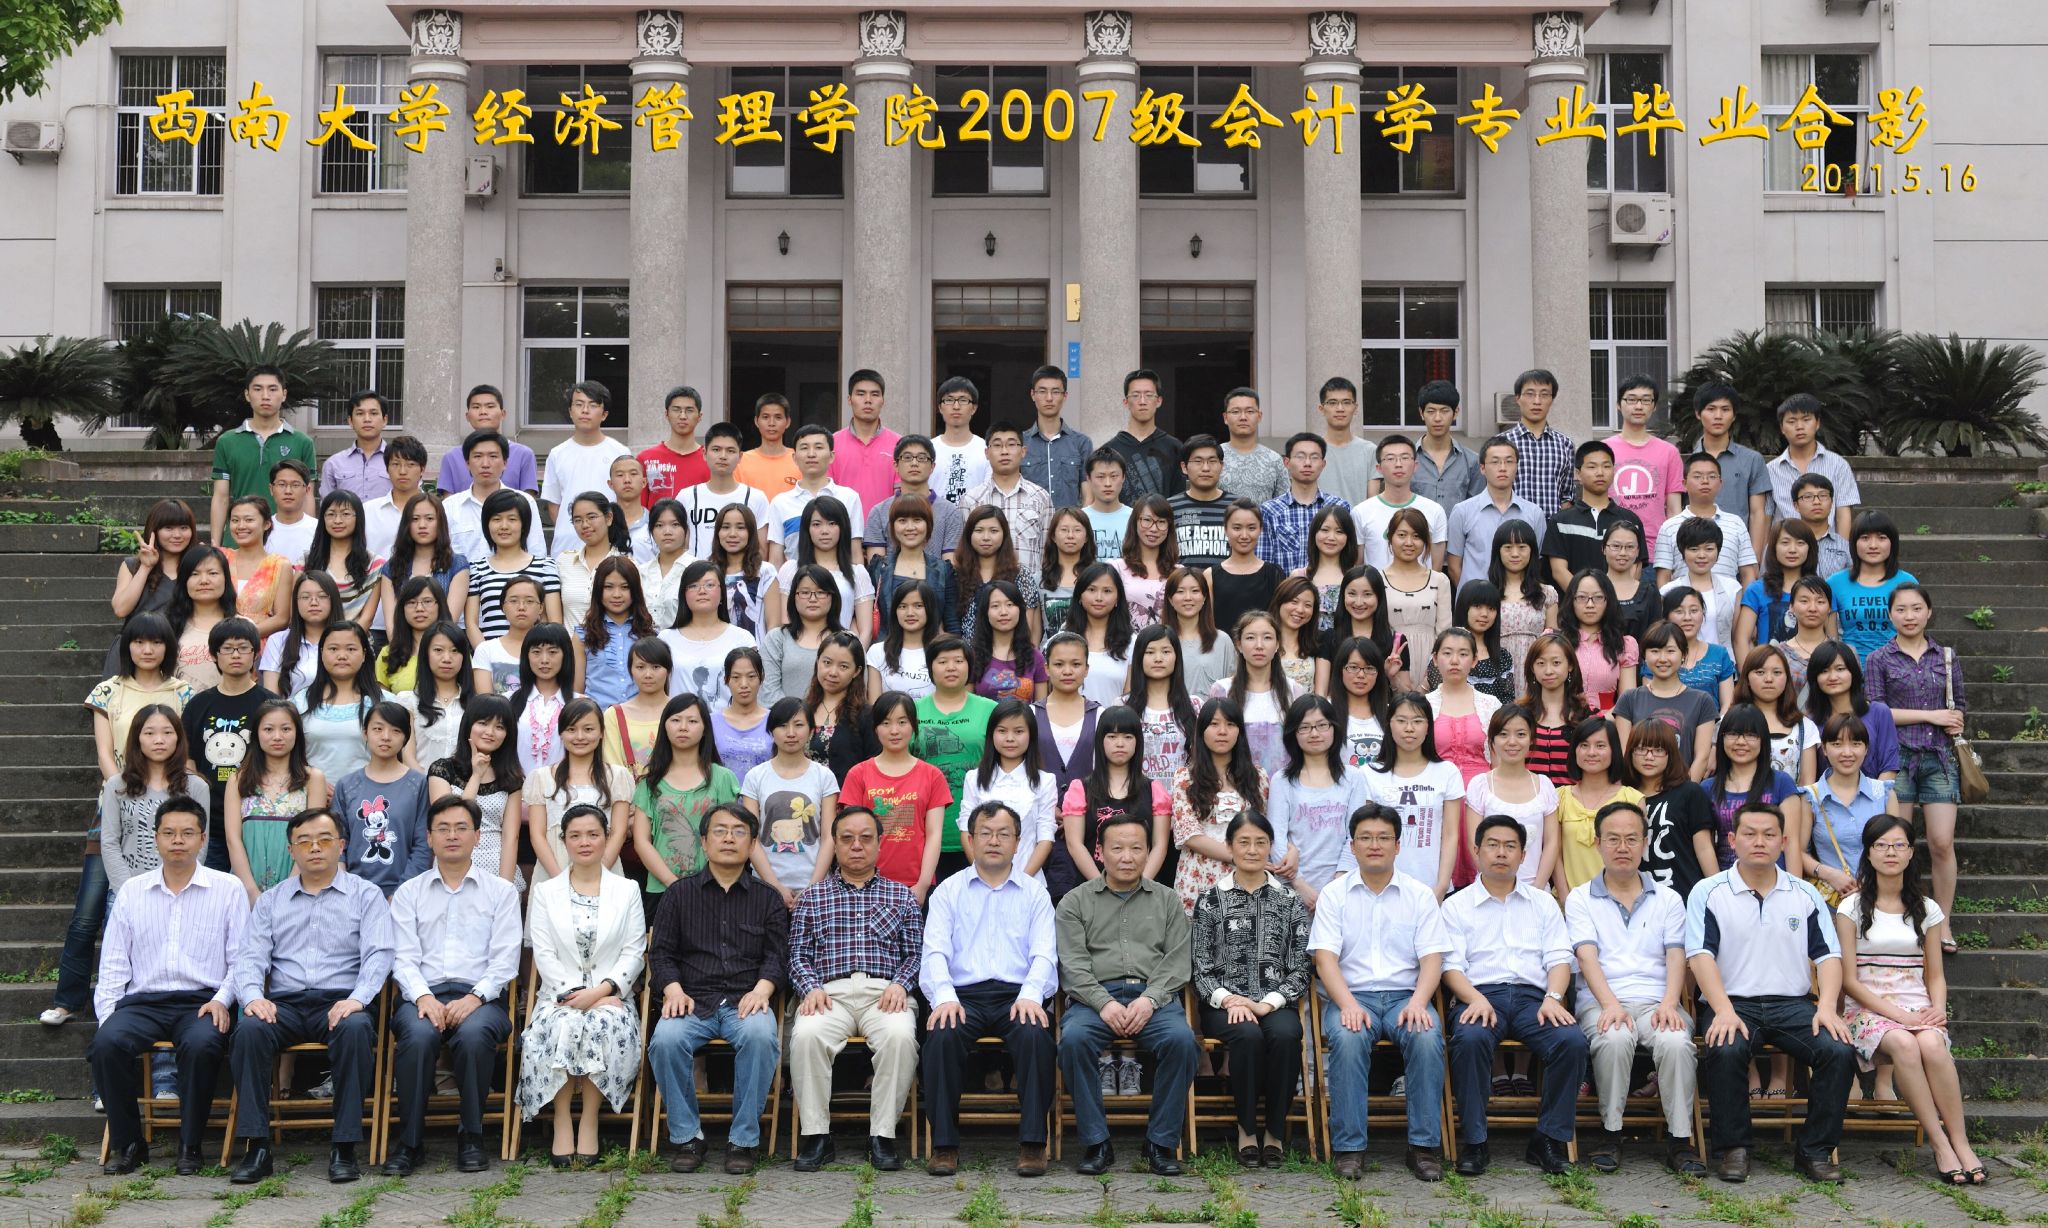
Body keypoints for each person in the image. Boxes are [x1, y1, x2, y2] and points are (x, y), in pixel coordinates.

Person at [1687, 800, 1857, 1184]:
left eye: (1769, 835)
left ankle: (1814, 1151)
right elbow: (1700, 956)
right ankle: (1734, 1149)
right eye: (1749, 834)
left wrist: (1827, 1007)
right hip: (1732, 1003)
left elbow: (1829, 956)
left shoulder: (1804, 893)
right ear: (1732, 839)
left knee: (1837, 1050)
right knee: (1725, 1048)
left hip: (1792, 1004)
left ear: (1784, 842)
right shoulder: (1708, 891)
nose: (1759, 842)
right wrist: (1723, 1009)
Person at [225, 808, 396, 1185]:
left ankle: (344, 1146)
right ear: (291, 850)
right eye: (304, 842)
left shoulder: (366, 895)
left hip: (341, 1000)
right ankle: (257, 1147)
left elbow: (379, 954)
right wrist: (252, 997)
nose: (314, 848)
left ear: (341, 845)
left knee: (355, 1029)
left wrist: (358, 999)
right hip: (284, 1004)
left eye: (323, 840)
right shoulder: (272, 900)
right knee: (249, 1030)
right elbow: (250, 957)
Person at [88, 797, 247, 1176]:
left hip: (202, 1002)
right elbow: (112, 964)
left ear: (203, 839)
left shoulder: (228, 889)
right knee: (107, 1045)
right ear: (156, 838)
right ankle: (130, 1144)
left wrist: (223, 999)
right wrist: (108, 1018)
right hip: (142, 1003)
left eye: (187, 833)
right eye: (169, 833)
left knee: (203, 1045)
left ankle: (190, 1146)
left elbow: (242, 959)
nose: (178, 840)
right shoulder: (133, 891)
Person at [1835, 814, 1984, 1186]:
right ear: (1868, 853)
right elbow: (1849, 981)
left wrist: (1937, 1010)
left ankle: (1961, 1142)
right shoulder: (1850, 908)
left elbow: (1935, 975)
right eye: (1881, 845)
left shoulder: (1927, 908)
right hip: (1867, 1009)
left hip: (1916, 1005)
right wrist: (1899, 1016)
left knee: (1932, 1044)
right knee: (1904, 1042)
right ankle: (1940, 1144)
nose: (1891, 852)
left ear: (1910, 853)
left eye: (1899, 845)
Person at [1440, 814, 1588, 1177]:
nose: (1501, 853)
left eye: (1510, 846)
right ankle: (1475, 1142)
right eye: (1492, 845)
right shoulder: (1456, 905)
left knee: (1571, 1042)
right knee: (1470, 1039)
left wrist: (1554, 997)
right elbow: (1450, 967)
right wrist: (1474, 998)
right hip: (1478, 995)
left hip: (1533, 1000)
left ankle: (1548, 1139)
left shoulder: (1542, 903)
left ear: (1523, 855)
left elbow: (1559, 959)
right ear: (1476, 851)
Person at [382, 793, 522, 1177]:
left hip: (481, 997)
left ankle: (471, 1137)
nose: (452, 836)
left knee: (475, 1036)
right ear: (429, 838)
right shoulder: (409, 893)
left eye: (461, 828)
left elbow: (505, 960)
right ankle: (410, 1142)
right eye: (442, 829)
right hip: (421, 995)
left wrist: (475, 998)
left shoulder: (501, 892)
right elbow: (402, 958)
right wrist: (423, 996)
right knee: (417, 1036)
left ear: (477, 836)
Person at [1565, 800, 1707, 1175]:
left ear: (1645, 843)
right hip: (1601, 1001)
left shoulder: (1669, 898)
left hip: (1658, 1000)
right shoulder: (1580, 898)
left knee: (1676, 1042)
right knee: (1614, 1037)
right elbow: (1586, 958)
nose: (1622, 847)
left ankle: (1680, 1141)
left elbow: (1676, 956)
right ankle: (1611, 1134)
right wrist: (1611, 1005)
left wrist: (1670, 1003)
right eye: (1613, 839)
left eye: (1631, 839)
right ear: (1597, 843)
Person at [1311, 802, 1451, 1182]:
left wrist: (1419, 1002)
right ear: (1352, 846)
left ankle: (1423, 1148)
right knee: (1348, 1036)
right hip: (1353, 995)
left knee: (1426, 1036)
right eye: (1366, 838)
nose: (1375, 845)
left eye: (1384, 838)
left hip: (1407, 996)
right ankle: (1349, 1149)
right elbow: (1325, 960)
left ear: (1398, 846)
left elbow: (1433, 959)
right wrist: (1347, 1004)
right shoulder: (1334, 894)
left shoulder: (1419, 895)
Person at [919, 800, 1060, 1178]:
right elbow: (934, 952)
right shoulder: (949, 891)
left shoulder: (1034, 894)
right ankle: (944, 1145)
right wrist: (944, 997)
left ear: (1018, 842)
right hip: (963, 996)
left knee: (1036, 1035)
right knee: (941, 1035)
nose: (994, 841)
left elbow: (1045, 954)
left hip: (1018, 994)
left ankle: (1033, 1143)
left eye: (1003, 834)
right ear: (971, 839)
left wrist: (1031, 994)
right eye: (985, 833)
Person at [646, 802, 788, 1176]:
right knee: (665, 1040)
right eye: (720, 831)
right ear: (704, 842)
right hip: (692, 1000)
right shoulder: (679, 895)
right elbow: (661, 953)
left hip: (746, 1000)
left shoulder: (768, 898)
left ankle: (743, 1140)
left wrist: (763, 990)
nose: (729, 838)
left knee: (760, 1037)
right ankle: (687, 1138)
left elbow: (777, 955)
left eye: (739, 832)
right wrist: (673, 990)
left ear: (753, 844)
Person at [1054, 812, 1199, 1177]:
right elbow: (1073, 965)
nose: (1127, 857)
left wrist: (1149, 1000)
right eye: (1117, 848)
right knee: (1073, 1041)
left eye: (1136, 848)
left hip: (1153, 997)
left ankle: (1160, 1142)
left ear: (1148, 851)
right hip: (1094, 999)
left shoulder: (1167, 900)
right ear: (1100, 852)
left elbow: (1177, 960)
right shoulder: (1074, 902)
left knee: (1182, 1042)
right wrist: (1103, 1003)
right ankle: (1096, 1142)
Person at [787, 805, 925, 1172]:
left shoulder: (902, 896)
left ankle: (882, 1136)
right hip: (828, 994)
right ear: (834, 844)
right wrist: (810, 987)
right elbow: (797, 955)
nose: (856, 846)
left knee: (899, 1037)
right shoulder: (812, 898)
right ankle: (817, 1136)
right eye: (847, 839)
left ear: (880, 844)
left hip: (885, 994)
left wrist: (901, 984)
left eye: (866, 838)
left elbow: (915, 954)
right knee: (807, 1036)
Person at [517, 803, 647, 1166]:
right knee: (561, 1024)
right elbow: (544, 954)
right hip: (558, 996)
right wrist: (577, 996)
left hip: (612, 996)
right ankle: (562, 1118)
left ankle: (589, 1118)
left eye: (593, 834)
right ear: (564, 841)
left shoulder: (627, 890)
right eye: (575, 835)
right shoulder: (546, 892)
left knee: (603, 1024)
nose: (584, 842)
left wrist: (601, 992)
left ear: (607, 838)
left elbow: (634, 952)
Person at [1191, 812, 1310, 1165]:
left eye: (1260, 842)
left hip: (1275, 1003)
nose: (1252, 850)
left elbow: (1301, 966)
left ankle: (1274, 1132)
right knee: (1247, 1035)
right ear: (1230, 847)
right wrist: (1230, 1000)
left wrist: (1268, 1003)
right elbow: (1200, 967)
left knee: (1287, 1035)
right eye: (1243, 842)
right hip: (1223, 1007)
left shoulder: (1289, 900)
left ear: (1270, 847)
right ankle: (1246, 1129)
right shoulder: (1210, 899)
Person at [1863, 583, 1963, 950]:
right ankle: (1903, 916)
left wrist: (1954, 719)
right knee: (1896, 843)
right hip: (1897, 759)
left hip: (1939, 759)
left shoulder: (1946, 657)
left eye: (1916, 608)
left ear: (1928, 612)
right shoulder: (1878, 659)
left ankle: (1943, 922)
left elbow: (1959, 704)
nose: (1909, 616)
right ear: (1890, 615)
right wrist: (1931, 715)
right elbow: (1876, 711)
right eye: (1901, 609)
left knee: (1941, 843)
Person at [184, 619, 277, 872]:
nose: (236, 655)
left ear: (255, 653)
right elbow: (188, 760)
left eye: (243, 648)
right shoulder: (197, 705)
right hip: (210, 822)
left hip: (257, 818)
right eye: (227, 648)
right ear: (214, 654)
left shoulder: (271, 705)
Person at [741, 698, 839, 904]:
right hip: (764, 887)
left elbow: (828, 836)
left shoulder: (824, 776)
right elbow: (751, 837)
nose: (791, 733)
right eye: (783, 726)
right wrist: (774, 885)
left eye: (799, 725)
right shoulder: (755, 776)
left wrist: (813, 887)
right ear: (771, 731)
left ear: (811, 730)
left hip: (814, 887)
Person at [331, 702, 434, 897]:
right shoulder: (346, 785)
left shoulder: (418, 784)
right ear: (365, 733)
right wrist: (346, 888)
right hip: (353, 893)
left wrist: (399, 896)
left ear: (406, 737)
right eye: (378, 729)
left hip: (404, 893)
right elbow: (337, 842)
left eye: (396, 731)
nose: (386, 737)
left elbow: (423, 845)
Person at [209, 366, 316, 544]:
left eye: (272, 389)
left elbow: (307, 496)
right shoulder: (227, 441)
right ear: (247, 394)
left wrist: (310, 541)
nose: (265, 396)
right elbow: (221, 497)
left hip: (286, 539)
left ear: (284, 394)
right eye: (258, 389)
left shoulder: (302, 442)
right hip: (239, 538)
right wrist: (215, 544)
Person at [106, 498, 198, 676]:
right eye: (168, 528)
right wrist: (146, 567)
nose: (177, 535)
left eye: (183, 527)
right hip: (136, 653)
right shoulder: (132, 565)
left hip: (182, 654)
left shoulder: (197, 567)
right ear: (154, 530)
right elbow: (120, 609)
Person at [1445, 436, 1548, 591]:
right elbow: (1454, 566)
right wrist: (1472, 596)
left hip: (1520, 600)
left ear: (1517, 467)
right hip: (1475, 600)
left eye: (1509, 461)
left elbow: (1536, 562)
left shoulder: (1534, 513)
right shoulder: (1462, 511)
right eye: (1495, 462)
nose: (1502, 468)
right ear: (1482, 468)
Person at [539, 382, 632, 547]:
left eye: (593, 405)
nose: (585, 410)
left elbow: (627, 500)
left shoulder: (620, 452)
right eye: (579, 404)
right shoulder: (557, 454)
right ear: (570, 412)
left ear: (604, 414)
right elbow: (554, 504)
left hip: (610, 544)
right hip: (567, 546)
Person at [1543, 441, 1644, 588]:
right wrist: (1586, 597)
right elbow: (1559, 571)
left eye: (1606, 466)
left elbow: (1635, 567)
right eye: (1592, 467)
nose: (1600, 472)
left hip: (1619, 601)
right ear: (1578, 474)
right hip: (1574, 600)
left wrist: (1613, 598)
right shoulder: (1560, 521)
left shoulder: (1630, 520)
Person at [964, 422, 1054, 584]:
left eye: (1011, 445)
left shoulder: (1040, 497)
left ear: (1023, 451)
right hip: (984, 589)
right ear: (987, 453)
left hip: (1029, 589)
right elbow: (965, 551)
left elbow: (1048, 551)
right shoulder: (972, 499)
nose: (1004, 451)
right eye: (997, 445)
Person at [1690, 383, 1772, 562]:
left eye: (1725, 409)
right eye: (1711, 409)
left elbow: (1758, 513)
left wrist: (1753, 560)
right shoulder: (1687, 462)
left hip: (1738, 556)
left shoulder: (1752, 460)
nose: (1718, 416)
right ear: (1698, 413)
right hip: (1694, 555)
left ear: (1734, 415)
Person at [1652, 453, 1758, 588]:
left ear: (1720, 483)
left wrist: (1744, 601)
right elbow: (1663, 577)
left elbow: (1748, 573)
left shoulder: (1736, 523)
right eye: (1697, 476)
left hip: (1729, 600)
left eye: (1712, 476)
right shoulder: (1670, 526)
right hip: (1684, 600)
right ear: (1684, 484)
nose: (1705, 481)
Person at [862, 434, 966, 563]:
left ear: (932, 467)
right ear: (896, 466)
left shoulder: (950, 512)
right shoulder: (879, 512)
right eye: (907, 458)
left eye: (922, 458)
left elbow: (951, 566)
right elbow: (876, 567)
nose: (914, 463)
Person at [1766, 393, 1860, 536]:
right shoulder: (1770, 470)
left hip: (1828, 546)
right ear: (1782, 428)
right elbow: (1766, 518)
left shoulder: (1838, 465)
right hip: (1786, 546)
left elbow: (1843, 515)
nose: (1799, 426)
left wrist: (1842, 548)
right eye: (1791, 421)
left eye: (1806, 419)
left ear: (1817, 423)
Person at [444, 432, 548, 561]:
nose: (485, 464)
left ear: (505, 463)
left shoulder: (525, 501)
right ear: (467, 463)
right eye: (477, 456)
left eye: (493, 456)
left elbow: (537, 552)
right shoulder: (450, 506)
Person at [769, 425, 866, 562]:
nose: (811, 454)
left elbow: (855, 554)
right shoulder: (780, 503)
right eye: (804, 448)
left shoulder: (849, 498)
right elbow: (776, 559)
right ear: (794, 458)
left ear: (831, 456)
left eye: (819, 447)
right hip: (796, 575)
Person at [1604, 376, 1684, 543]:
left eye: (1646, 400)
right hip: (1612, 544)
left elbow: (1674, 509)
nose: (1639, 406)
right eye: (1631, 399)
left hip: (1656, 545)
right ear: (1618, 404)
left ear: (1654, 406)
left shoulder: (1669, 452)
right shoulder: (1603, 449)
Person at [1829, 511, 1916, 661]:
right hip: (1851, 667)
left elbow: (1915, 632)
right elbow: (1830, 638)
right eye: (1865, 538)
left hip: (1897, 666)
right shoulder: (1835, 583)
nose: (1873, 545)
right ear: (1854, 543)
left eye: (1881, 538)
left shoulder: (1907, 582)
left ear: (1892, 542)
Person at [677, 422, 772, 558]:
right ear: (704, 454)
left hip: (742, 571)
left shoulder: (756, 497)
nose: (723, 456)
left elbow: (761, 551)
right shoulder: (687, 496)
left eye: (730, 451)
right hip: (697, 570)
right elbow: (681, 546)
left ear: (740, 457)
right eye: (716, 449)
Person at [1257, 433, 1349, 573]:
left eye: (1314, 457)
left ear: (1323, 464)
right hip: (1286, 586)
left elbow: (1348, 557)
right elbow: (1264, 564)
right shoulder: (1269, 510)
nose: (1307, 463)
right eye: (1300, 457)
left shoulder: (1339, 507)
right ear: (1286, 462)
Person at [1355, 435, 1448, 572]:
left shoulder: (1434, 511)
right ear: (1379, 468)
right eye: (1390, 458)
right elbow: (1357, 566)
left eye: (1405, 458)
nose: (1398, 464)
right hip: (1377, 586)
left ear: (1415, 465)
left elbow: (1436, 568)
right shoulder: (1361, 512)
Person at [436, 385, 540, 495]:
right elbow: (448, 502)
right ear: (467, 416)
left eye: (490, 406)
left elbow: (528, 501)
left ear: (503, 414)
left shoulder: (524, 454)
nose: (483, 412)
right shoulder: (451, 457)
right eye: (476, 407)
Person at [1502, 368, 1577, 512]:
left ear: (1552, 400)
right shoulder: (1501, 443)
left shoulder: (1565, 444)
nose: (1537, 401)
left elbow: (1567, 497)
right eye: (1530, 394)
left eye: (1544, 395)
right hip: (1513, 523)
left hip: (1553, 524)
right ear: (1517, 398)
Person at [1105, 368, 1185, 502]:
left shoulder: (1174, 447)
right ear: (1126, 402)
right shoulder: (1109, 451)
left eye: (1149, 395)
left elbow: (1179, 499)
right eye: (1135, 395)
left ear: (1159, 401)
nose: (1142, 401)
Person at [221, 496, 295, 639]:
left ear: (266, 524)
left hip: (259, 642)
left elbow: (282, 618)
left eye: (249, 520)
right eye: (235, 520)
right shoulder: (222, 558)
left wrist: (244, 637)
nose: (241, 526)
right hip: (218, 640)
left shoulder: (279, 565)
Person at [1209, 498, 1284, 639]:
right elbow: (1207, 623)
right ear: (1225, 529)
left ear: (1261, 529)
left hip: (1263, 649)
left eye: (1251, 528)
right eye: (1237, 528)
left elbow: (1280, 621)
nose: (1244, 536)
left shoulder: (1274, 573)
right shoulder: (1210, 575)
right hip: (1224, 650)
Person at [1022, 364, 1093, 508]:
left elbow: (1088, 496)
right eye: (1042, 391)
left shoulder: (1081, 443)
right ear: (1033, 395)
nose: (1049, 398)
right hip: (1031, 521)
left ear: (1065, 396)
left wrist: (1079, 520)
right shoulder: (1020, 442)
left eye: (1055, 392)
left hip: (1070, 522)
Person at [1405, 380, 1484, 507]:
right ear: (1421, 413)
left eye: (1444, 411)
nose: (1437, 418)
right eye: (1431, 411)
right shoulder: (1406, 459)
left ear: (1455, 413)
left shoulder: (1472, 461)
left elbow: (1476, 508)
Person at [1168, 436, 1235, 568]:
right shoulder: (1169, 507)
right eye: (1198, 461)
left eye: (1212, 461)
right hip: (1182, 581)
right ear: (1184, 467)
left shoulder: (1238, 506)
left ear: (1221, 466)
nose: (1205, 468)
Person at [639, 385, 711, 505]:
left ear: (699, 417)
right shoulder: (646, 459)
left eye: (689, 410)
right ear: (666, 414)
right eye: (676, 410)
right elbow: (639, 509)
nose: (682, 416)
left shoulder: (711, 460)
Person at [1313, 376, 1376, 505]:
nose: (1340, 409)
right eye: (1332, 403)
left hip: (1356, 519)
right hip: (1318, 518)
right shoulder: (1312, 451)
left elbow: (1372, 504)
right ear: (1321, 409)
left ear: (1355, 408)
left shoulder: (1370, 451)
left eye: (1346, 402)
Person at [1215, 387, 1285, 503]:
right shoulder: (1214, 457)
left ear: (1259, 416)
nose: (1243, 417)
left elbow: (1284, 504)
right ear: (1225, 417)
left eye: (1250, 411)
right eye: (1235, 412)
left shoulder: (1274, 459)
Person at [318, 391, 389, 501]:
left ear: (384, 420)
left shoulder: (399, 462)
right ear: (350, 421)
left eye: (374, 413)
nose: (367, 419)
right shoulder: (334, 464)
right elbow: (327, 506)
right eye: (360, 414)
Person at [931, 376, 991, 505]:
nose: (956, 406)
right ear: (940, 407)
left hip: (976, 517)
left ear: (974, 408)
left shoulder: (986, 450)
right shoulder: (928, 449)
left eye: (963, 400)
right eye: (949, 400)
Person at [735, 393, 801, 498]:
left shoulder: (800, 459)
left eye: (778, 417)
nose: (771, 423)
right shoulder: (740, 461)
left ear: (788, 422)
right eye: (765, 417)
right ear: (756, 421)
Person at [1789, 473, 1853, 579]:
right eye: (1808, 497)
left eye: (1823, 496)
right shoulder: (1784, 544)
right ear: (1796, 505)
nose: (1816, 502)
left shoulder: (1846, 547)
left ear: (1832, 502)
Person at [263, 458, 319, 568]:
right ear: (271, 489)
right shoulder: (262, 529)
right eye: (281, 484)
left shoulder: (318, 529)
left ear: (307, 490)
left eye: (295, 485)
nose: (288, 491)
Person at [1083, 448, 1133, 559]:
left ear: (1123, 477)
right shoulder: (1080, 519)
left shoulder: (1135, 518)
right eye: (1100, 477)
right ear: (1089, 479)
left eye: (1114, 476)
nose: (1108, 483)